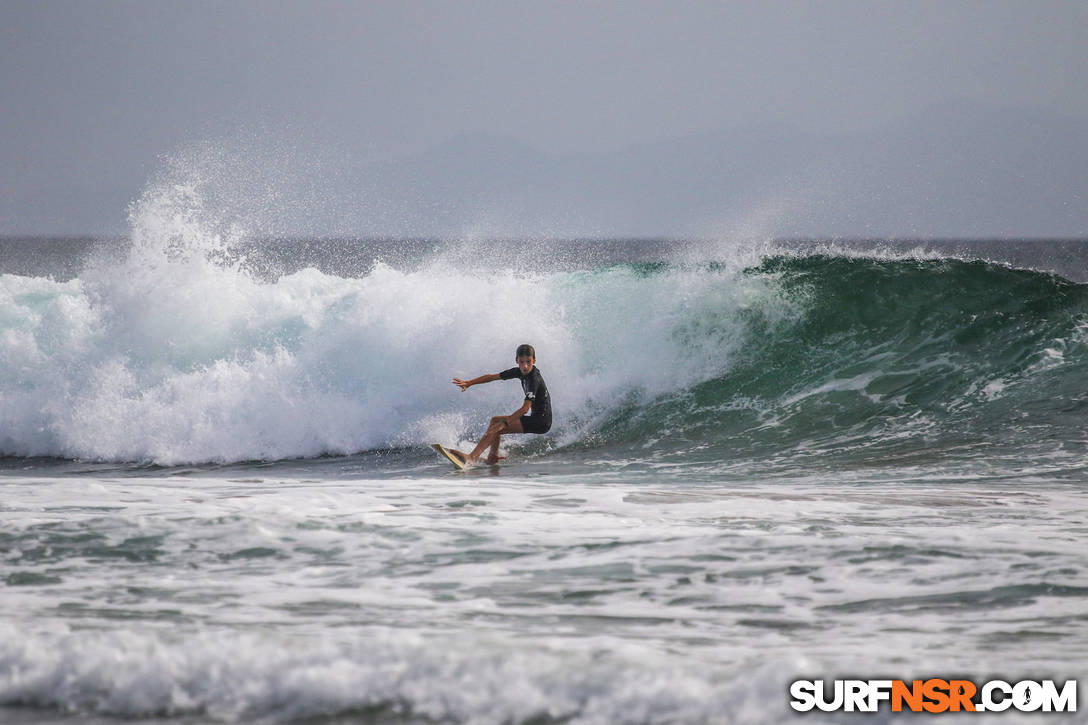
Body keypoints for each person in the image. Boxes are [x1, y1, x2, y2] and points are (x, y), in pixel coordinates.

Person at [451, 343, 552, 465]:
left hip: (541, 422)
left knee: (498, 427)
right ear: (517, 361)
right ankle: (492, 457)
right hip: (537, 418)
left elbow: (525, 409)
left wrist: (505, 423)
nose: (525, 366)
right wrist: (469, 383)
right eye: (521, 362)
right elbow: (492, 377)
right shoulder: (519, 372)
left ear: (534, 360)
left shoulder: (533, 380)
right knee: (495, 421)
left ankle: (472, 457)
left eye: (528, 362)